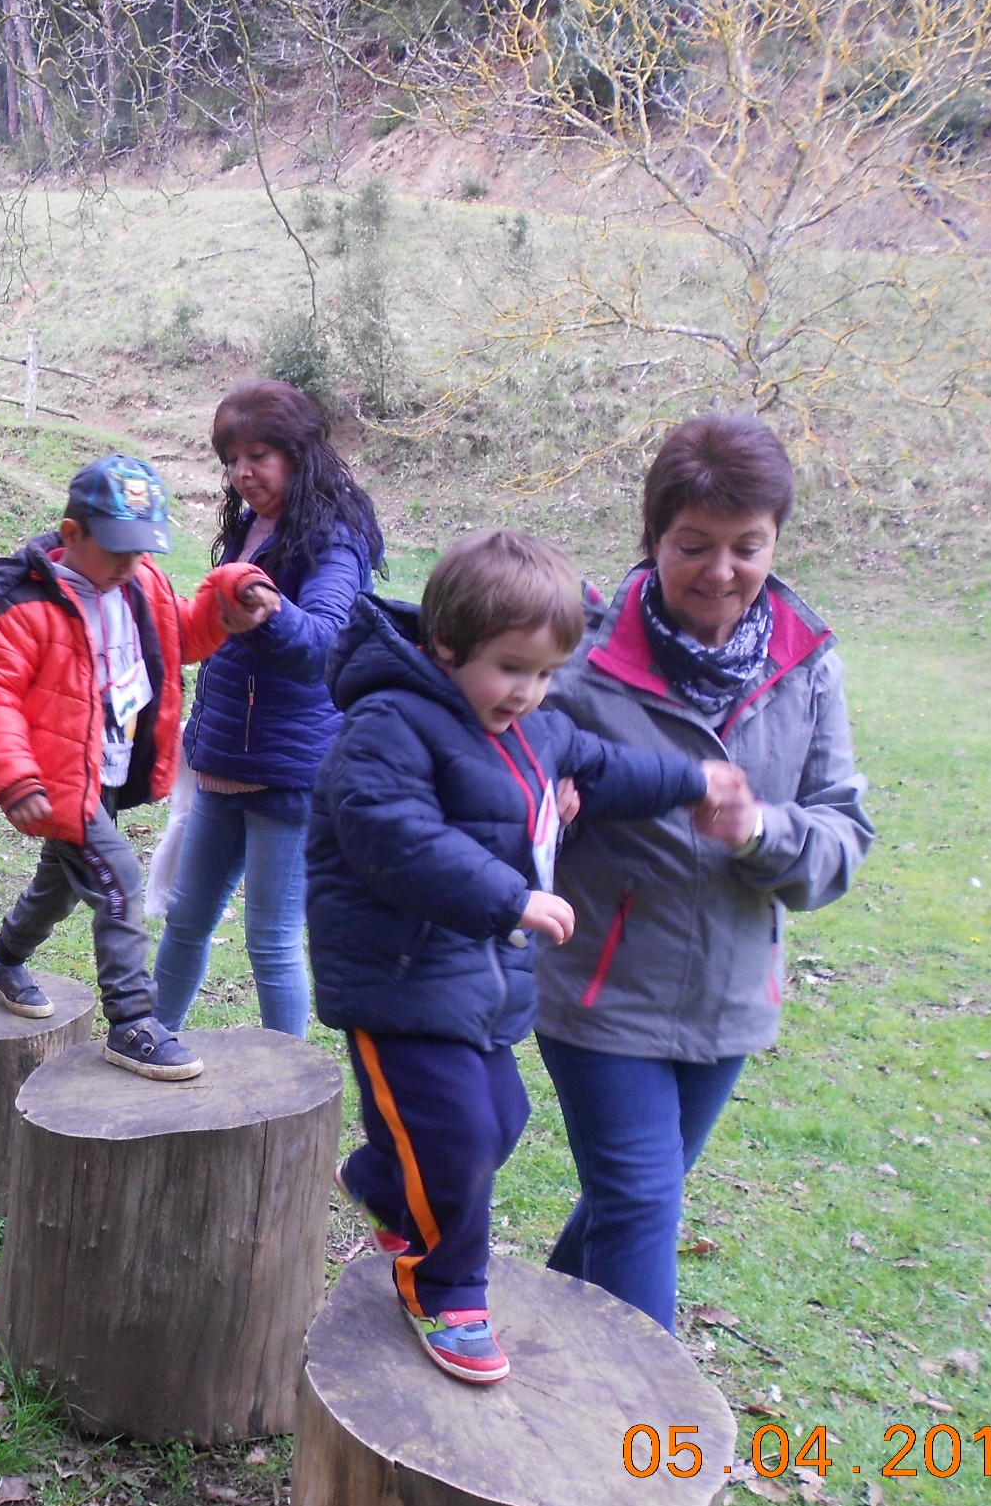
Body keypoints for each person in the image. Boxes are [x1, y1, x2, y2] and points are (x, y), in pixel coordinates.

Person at [308, 529, 743, 1384]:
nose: (529, 692)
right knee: (459, 1132)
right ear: (446, 643)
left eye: (545, 674)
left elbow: (606, 767)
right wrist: (510, 898)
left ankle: (383, 1182)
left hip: (476, 981)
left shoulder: (532, 727)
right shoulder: (389, 722)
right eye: (512, 668)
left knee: (501, 1118)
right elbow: (391, 835)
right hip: (396, 981)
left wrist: (693, 780)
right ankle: (445, 1290)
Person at [534, 412, 873, 1336]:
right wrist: (546, 807)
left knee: (629, 1200)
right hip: (602, 993)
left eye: (746, 547)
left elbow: (843, 835)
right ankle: (645, 1417)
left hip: (731, 997)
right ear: (654, 537)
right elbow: (497, 788)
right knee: (643, 1200)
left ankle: (544, 1331)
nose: (720, 571)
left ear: (776, 541)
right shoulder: (581, 661)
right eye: (694, 545)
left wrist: (762, 830)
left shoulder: (808, 664)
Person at [0, 454, 277, 1080]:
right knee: (119, 881)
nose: (132, 563)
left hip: (106, 768)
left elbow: (177, 635)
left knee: (59, 883)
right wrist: (15, 777)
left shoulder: (139, 583)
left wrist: (227, 599)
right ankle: (131, 1019)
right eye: (117, 549)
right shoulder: (19, 605)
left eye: (142, 549)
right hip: (56, 778)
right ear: (72, 534)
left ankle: (4, 958)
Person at [151, 379, 384, 1040]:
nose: (242, 472)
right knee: (186, 920)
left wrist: (273, 614)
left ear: (297, 453)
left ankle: (291, 1079)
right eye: (232, 459)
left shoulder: (333, 537)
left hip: (288, 773)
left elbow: (327, 645)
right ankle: (150, 1039)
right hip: (225, 758)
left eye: (258, 455)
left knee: (271, 940)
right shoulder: (252, 525)